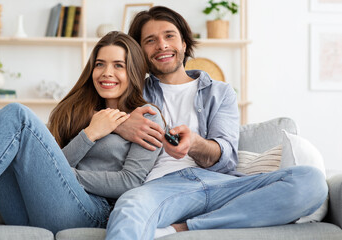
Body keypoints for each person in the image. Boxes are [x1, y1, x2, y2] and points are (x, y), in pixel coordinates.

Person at [105, 6, 328, 240]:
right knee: (129, 206)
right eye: (150, 40)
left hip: (222, 185)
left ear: (183, 42)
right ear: (140, 50)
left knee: (310, 181)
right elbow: (75, 112)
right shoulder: (131, 91)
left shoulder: (220, 92)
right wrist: (119, 124)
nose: (162, 45)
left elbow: (227, 158)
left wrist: (194, 143)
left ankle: (182, 228)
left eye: (169, 36)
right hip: (161, 188)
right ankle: (206, 222)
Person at [0, 31, 164, 235]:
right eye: (100, 64)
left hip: (91, 213)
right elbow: (54, 166)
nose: (106, 72)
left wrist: (65, 174)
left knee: (18, 115)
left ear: (133, 71)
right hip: (31, 209)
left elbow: (130, 182)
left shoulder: (147, 116)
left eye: (118, 65)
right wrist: (89, 134)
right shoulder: (79, 112)